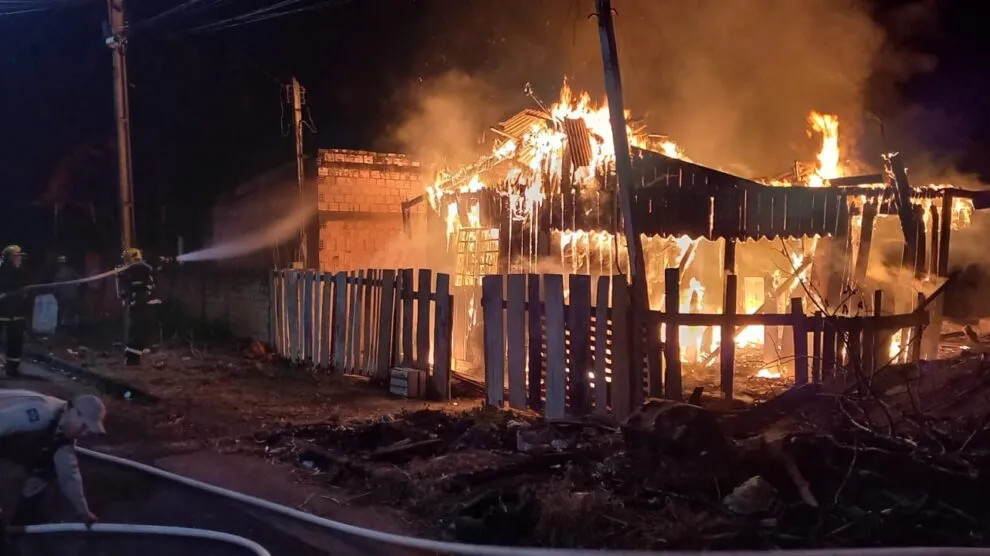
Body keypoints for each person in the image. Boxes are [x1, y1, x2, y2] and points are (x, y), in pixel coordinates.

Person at [0, 390, 104, 528]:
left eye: (88, 430)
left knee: (48, 467)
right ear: (73, 411)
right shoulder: (40, 412)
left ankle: (23, 518)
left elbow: (69, 476)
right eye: (84, 426)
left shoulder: (64, 435)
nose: (84, 434)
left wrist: (83, 511)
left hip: (9, 433)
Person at [116, 248, 171, 366]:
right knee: (139, 331)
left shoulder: (132, 270)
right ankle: (131, 359)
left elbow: (151, 279)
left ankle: (133, 357)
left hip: (142, 304)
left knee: (139, 331)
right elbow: (141, 285)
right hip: (141, 305)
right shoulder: (137, 269)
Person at [0, 246, 28, 378]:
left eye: (20, 256)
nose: (20, 259)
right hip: (3, 311)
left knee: (16, 341)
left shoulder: (21, 272)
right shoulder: (2, 271)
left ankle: (12, 367)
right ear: (9, 258)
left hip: (17, 312)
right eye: (17, 256)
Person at [52, 255, 81, 330]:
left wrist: (56, 295)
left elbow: (55, 287)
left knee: (63, 312)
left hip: (65, 297)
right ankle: (73, 328)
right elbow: (79, 280)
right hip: (71, 296)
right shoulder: (70, 271)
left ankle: (62, 327)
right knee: (71, 312)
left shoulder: (60, 273)